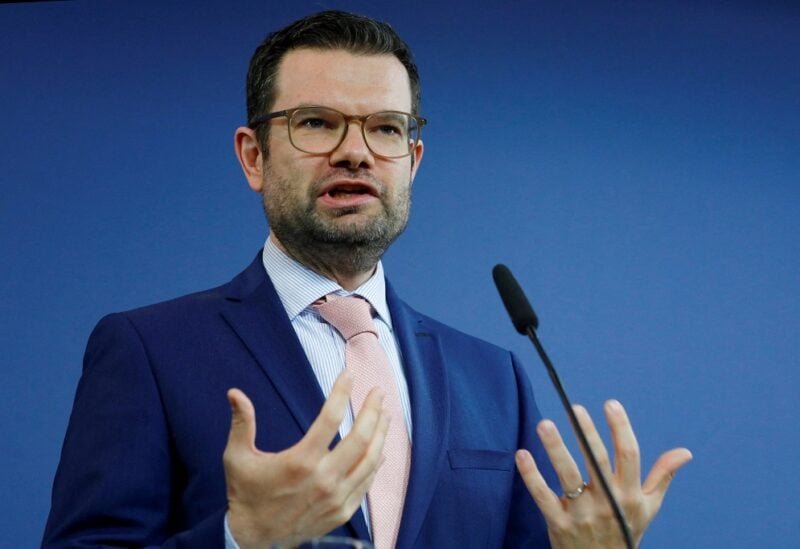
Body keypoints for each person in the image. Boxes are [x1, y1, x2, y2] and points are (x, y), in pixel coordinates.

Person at [43, 10, 691, 549]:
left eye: (384, 128)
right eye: (317, 122)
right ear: (252, 156)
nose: (355, 150)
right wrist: (240, 538)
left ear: (410, 161)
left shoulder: (495, 377)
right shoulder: (149, 350)